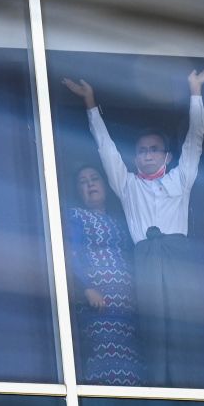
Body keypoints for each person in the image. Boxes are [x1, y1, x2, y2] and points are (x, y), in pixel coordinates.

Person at [62, 66, 204, 387]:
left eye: (154, 150)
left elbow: (195, 140)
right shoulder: (128, 185)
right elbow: (106, 148)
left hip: (178, 257)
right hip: (145, 260)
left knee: (186, 328)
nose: (147, 155)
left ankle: (193, 391)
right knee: (155, 332)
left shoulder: (181, 178)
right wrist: (90, 102)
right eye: (142, 150)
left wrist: (195, 93)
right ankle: (161, 389)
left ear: (167, 156)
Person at [64, 165, 144, 386]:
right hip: (98, 311)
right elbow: (71, 251)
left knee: (130, 373)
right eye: (83, 181)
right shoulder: (76, 216)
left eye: (94, 179)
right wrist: (87, 287)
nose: (90, 184)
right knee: (104, 373)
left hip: (127, 315)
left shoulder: (123, 222)